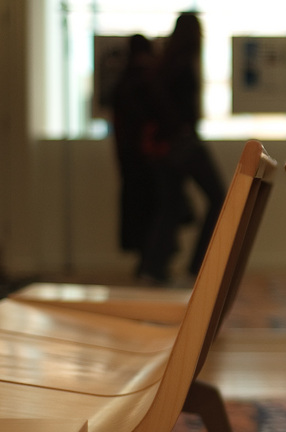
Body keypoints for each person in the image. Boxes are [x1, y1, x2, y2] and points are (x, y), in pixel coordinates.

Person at [140, 12, 227, 283]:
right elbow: (178, 111)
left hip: (166, 148)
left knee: (171, 205)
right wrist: (182, 129)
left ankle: (153, 268)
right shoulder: (182, 64)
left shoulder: (164, 63)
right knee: (219, 197)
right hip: (183, 144)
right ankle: (197, 267)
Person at [111, 34, 159, 275]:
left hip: (130, 158)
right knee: (151, 210)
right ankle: (149, 264)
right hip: (146, 158)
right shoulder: (145, 79)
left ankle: (146, 263)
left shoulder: (124, 80)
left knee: (141, 211)